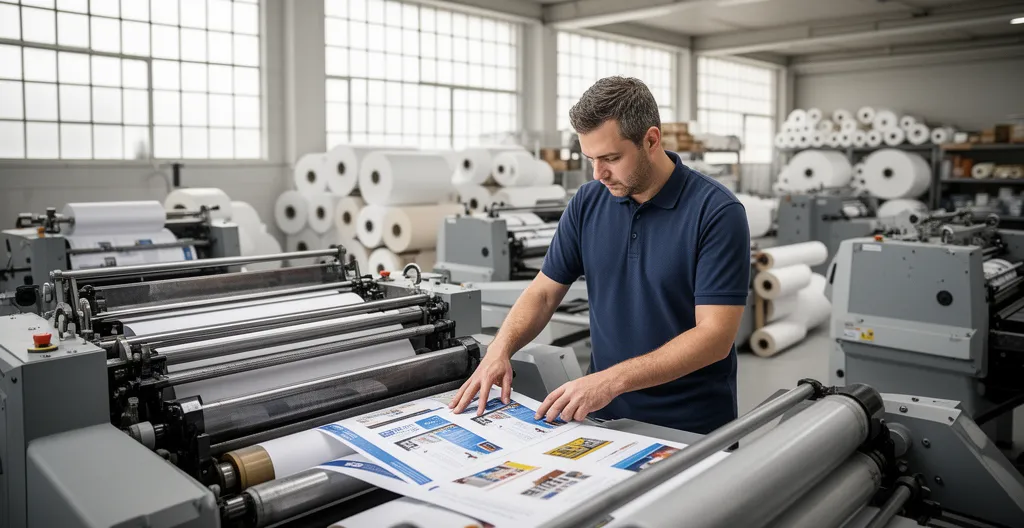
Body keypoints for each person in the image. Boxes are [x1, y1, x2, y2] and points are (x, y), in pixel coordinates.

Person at [449, 76, 750, 434]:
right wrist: (500, 349)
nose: (597, 173)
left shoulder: (716, 212)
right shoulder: (588, 202)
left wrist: (610, 381)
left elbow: (714, 337)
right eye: (590, 158)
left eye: (611, 158)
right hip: (603, 420)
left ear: (651, 140)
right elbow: (543, 293)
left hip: (691, 428)